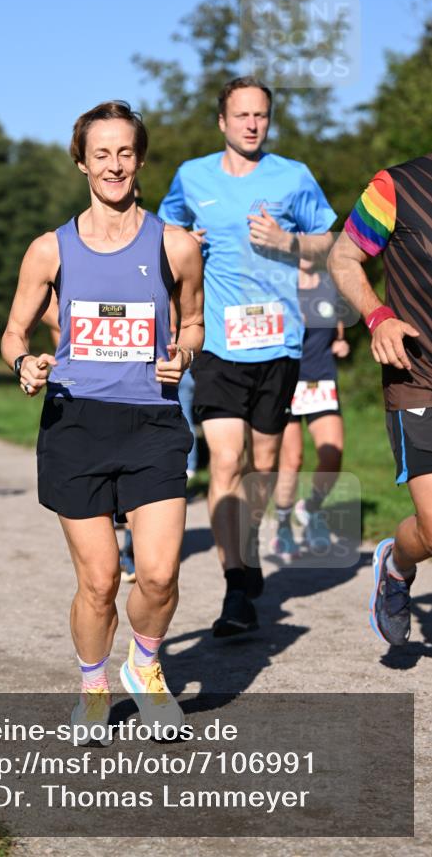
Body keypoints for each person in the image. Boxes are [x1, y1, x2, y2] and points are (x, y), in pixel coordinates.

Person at [1, 101, 203, 740]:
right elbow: (13, 333)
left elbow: (194, 320)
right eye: (101, 153)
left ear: (139, 159)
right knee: (100, 579)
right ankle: (93, 688)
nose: (113, 165)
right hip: (76, 424)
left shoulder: (174, 244)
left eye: (124, 152)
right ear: (82, 162)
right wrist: (26, 364)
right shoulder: (48, 249)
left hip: (152, 423)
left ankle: (144, 666)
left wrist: (184, 351)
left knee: (162, 574)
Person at [158, 76, 336, 637]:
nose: (252, 124)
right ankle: (236, 583)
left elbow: (333, 241)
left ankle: (249, 549)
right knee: (227, 462)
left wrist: (288, 244)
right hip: (216, 342)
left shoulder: (294, 177)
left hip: (280, 341)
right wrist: (187, 237)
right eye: (242, 116)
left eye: (260, 115)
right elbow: (164, 232)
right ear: (223, 122)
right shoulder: (193, 176)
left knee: (261, 464)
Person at [328, 154, 432, 646]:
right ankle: (396, 565)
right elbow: (342, 257)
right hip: (420, 376)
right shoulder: (400, 185)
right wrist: (377, 315)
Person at [272, 261, 350, 562]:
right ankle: (282, 524)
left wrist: (341, 343)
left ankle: (312, 508)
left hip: (321, 381)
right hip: (286, 381)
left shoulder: (330, 284)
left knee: (333, 454)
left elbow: (338, 328)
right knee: (292, 460)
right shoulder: (279, 284)